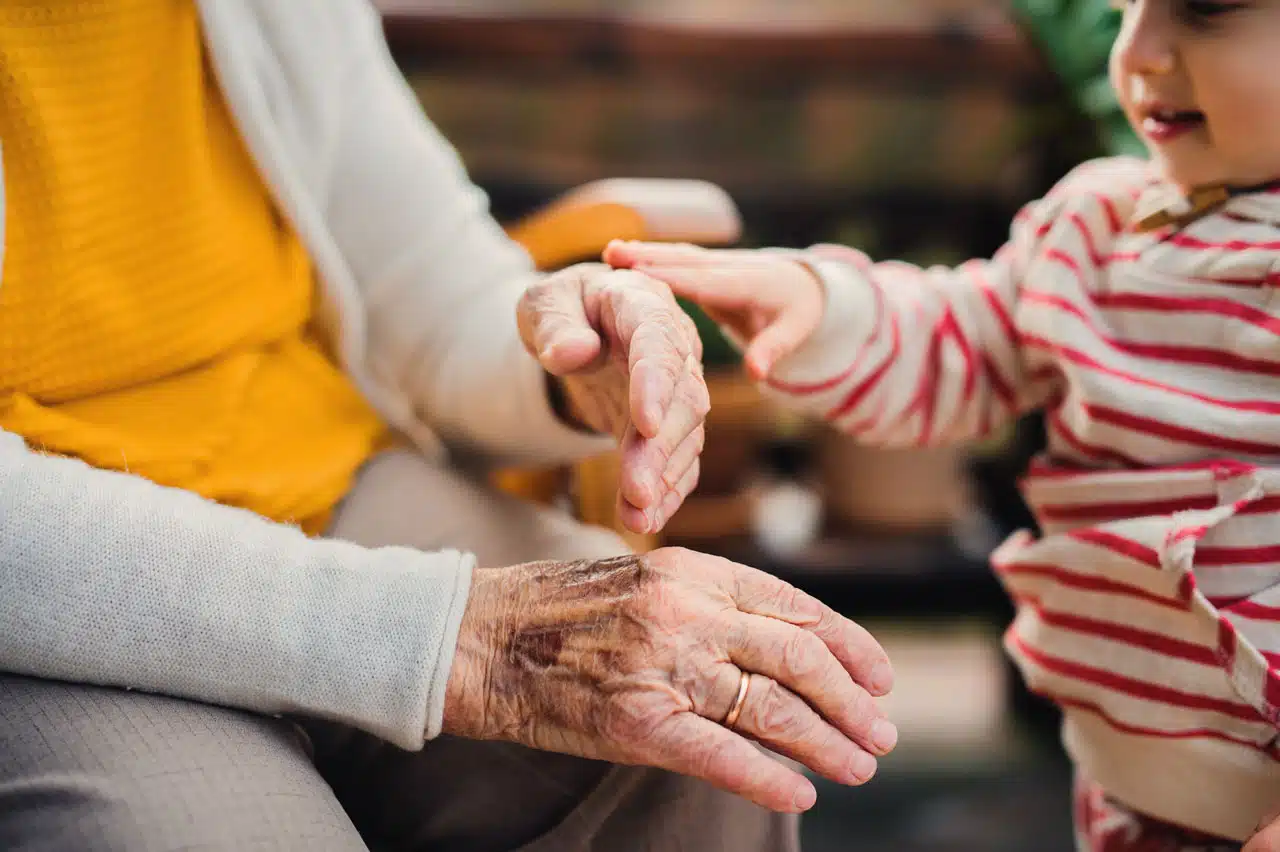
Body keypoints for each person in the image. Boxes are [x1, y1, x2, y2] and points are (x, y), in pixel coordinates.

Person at [0, 1, 900, 850]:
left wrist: (563, 358)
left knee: (708, 736)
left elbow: (427, 288)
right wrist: (454, 639)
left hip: (326, 482)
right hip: (56, 589)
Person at [607, 1, 1280, 849]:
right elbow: (966, 338)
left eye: (1203, 10)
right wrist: (821, 306)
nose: (1138, 51)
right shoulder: (1099, 224)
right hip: (1131, 791)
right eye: (1127, 5)